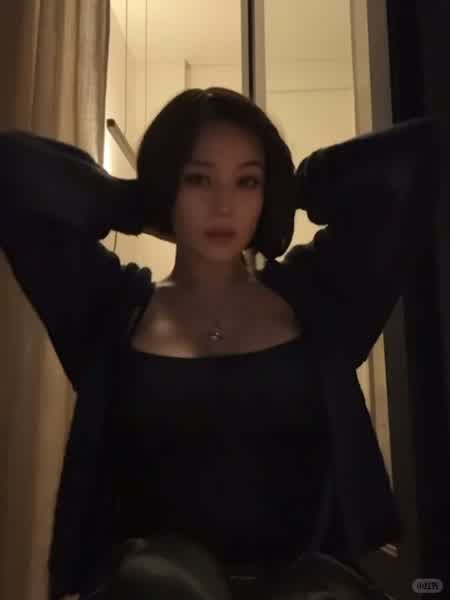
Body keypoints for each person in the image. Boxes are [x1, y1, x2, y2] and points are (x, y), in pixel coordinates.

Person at [0, 88, 440, 599]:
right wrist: (139, 201)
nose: (224, 205)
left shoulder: (320, 299)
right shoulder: (108, 311)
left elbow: (419, 155)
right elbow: (13, 168)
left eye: (247, 181)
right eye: (197, 179)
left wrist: (288, 190)